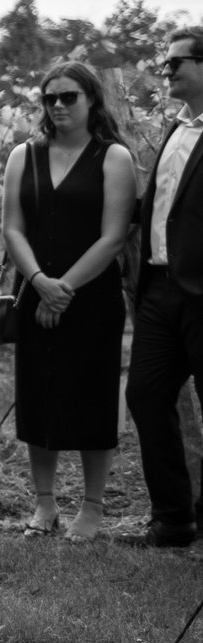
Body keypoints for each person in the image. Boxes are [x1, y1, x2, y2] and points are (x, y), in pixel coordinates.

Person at [2, 62, 135, 542]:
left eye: (69, 96)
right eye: (50, 98)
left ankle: (93, 506)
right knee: (38, 395)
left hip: (92, 297)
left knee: (92, 396)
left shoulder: (113, 157)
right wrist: (40, 282)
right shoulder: (24, 155)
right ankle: (45, 504)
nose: (58, 105)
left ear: (92, 100)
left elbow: (113, 237)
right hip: (35, 291)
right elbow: (12, 229)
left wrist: (63, 290)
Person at [123, 27, 203, 548]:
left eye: (177, 62)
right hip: (158, 290)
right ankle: (174, 519)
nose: (166, 71)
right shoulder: (178, 127)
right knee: (146, 395)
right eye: (166, 62)